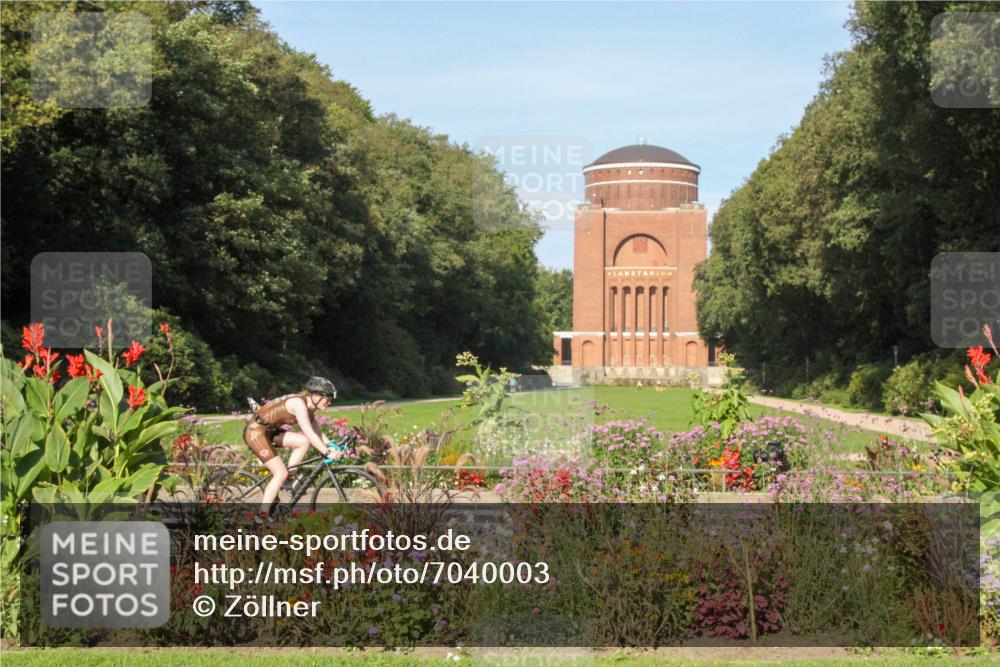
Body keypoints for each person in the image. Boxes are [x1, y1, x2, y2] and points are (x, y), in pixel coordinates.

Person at [243, 376, 343, 510]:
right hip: (255, 433)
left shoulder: (311, 407)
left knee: (303, 442)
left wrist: (331, 445)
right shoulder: (299, 404)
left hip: (269, 431)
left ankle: (287, 480)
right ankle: (262, 516)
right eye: (327, 398)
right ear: (314, 395)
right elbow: (308, 431)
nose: (329, 402)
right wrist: (326, 452)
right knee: (280, 473)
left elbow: (317, 432)